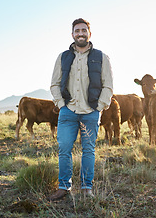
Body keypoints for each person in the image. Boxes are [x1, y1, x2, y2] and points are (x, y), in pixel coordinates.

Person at [48, 18, 113, 201]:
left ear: (89, 34)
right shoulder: (63, 57)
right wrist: (61, 104)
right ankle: (63, 187)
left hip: (91, 112)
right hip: (68, 111)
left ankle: (86, 188)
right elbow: (54, 84)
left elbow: (108, 85)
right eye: (77, 31)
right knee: (64, 149)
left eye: (84, 30)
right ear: (72, 34)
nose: (81, 33)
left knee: (89, 150)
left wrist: (99, 107)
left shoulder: (101, 57)